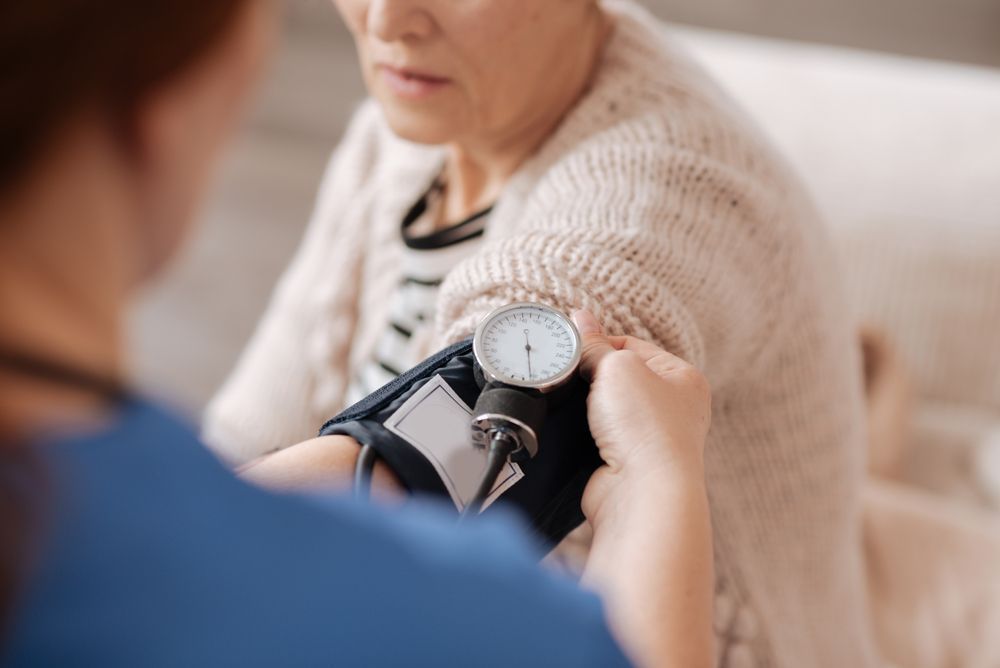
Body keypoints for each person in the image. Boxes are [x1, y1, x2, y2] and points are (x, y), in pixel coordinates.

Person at [0, 1, 716, 666]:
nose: (385, 19)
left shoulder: (629, 200)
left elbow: (252, 443)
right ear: (170, 94)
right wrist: (656, 487)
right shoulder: (454, 617)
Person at [206, 0, 880, 664]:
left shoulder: (665, 197)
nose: (385, 21)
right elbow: (248, 427)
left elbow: (457, 438)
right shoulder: (414, 114)